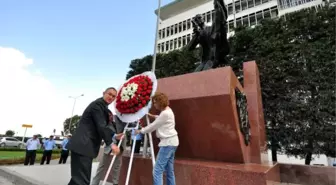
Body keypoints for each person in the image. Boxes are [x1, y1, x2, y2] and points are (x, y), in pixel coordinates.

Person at [67, 87, 123, 185]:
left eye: (113, 96)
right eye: (109, 94)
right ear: (103, 93)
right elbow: (101, 126)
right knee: (82, 181)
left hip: (84, 147)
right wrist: (111, 144)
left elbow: (102, 126)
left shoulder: (103, 107)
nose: (111, 97)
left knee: (77, 180)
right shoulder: (97, 105)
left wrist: (114, 135)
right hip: (83, 146)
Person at [135, 92, 179, 185]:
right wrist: (153, 116)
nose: (154, 105)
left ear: (160, 102)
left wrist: (141, 131)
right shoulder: (168, 110)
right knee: (169, 171)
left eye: (155, 102)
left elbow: (153, 126)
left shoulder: (165, 114)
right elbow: (161, 119)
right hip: (172, 142)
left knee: (157, 171)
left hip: (167, 143)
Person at [91, 112, 126, 185]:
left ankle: (115, 183)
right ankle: (95, 183)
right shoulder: (104, 123)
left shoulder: (119, 119)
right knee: (102, 166)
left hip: (120, 145)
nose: (107, 118)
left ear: (111, 115)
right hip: (109, 145)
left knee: (117, 166)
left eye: (108, 116)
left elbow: (126, 125)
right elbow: (104, 134)